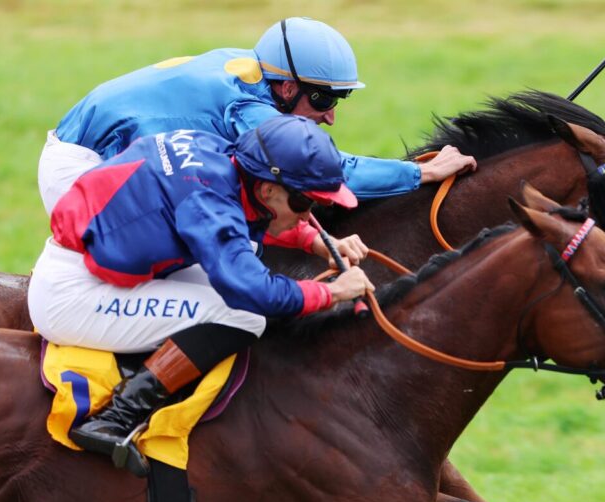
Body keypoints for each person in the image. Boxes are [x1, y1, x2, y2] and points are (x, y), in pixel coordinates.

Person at [28, 114, 375, 476]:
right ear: (268, 190)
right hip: (72, 295)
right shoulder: (208, 200)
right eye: (304, 204)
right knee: (244, 316)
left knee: (238, 282)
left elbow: (237, 220)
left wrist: (312, 240)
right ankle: (115, 417)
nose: (309, 214)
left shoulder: (218, 156)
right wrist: (332, 292)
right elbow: (254, 291)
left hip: (86, 263)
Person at [38, 16, 477, 215]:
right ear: (287, 87)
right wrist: (420, 174)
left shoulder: (256, 66)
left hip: (101, 151)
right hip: (82, 169)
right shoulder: (248, 108)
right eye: (323, 101)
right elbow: (329, 172)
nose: (329, 118)